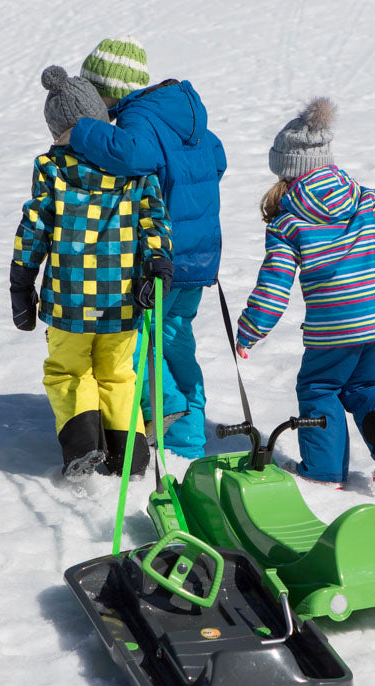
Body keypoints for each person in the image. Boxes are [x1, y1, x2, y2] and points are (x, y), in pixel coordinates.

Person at [234, 98, 375, 487]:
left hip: (334, 330)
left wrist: (250, 330)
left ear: (286, 170)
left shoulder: (289, 221)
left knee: (319, 387)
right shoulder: (366, 201)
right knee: (366, 386)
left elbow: (274, 286)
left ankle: (324, 472)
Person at [65, 36, 227, 460]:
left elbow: (133, 154)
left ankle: (165, 409)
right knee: (176, 339)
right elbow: (219, 160)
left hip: (162, 255)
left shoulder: (139, 118)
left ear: (107, 92)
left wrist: (81, 131)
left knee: (137, 340)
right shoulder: (189, 116)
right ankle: (189, 438)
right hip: (201, 255)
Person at [9, 65, 174, 481]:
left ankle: (84, 448)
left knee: (69, 371)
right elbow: (154, 221)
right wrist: (158, 264)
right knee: (118, 374)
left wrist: (21, 281)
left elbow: (36, 226)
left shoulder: (51, 167)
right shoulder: (134, 168)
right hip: (121, 300)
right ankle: (130, 455)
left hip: (68, 301)